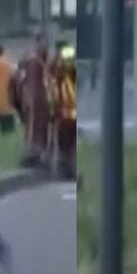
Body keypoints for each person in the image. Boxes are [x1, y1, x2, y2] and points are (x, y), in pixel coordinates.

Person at [15, 35, 55, 167]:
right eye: (43, 43)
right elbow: (20, 79)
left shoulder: (48, 60)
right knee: (33, 127)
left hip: (45, 99)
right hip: (34, 98)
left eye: (46, 44)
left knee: (43, 128)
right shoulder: (32, 61)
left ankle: (41, 154)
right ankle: (32, 154)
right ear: (37, 44)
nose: (45, 46)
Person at [53, 45, 78, 180]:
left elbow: (55, 96)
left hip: (65, 115)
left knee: (65, 144)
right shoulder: (67, 74)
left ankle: (66, 168)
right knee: (68, 145)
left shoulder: (60, 75)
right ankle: (67, 168)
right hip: (68, 115)